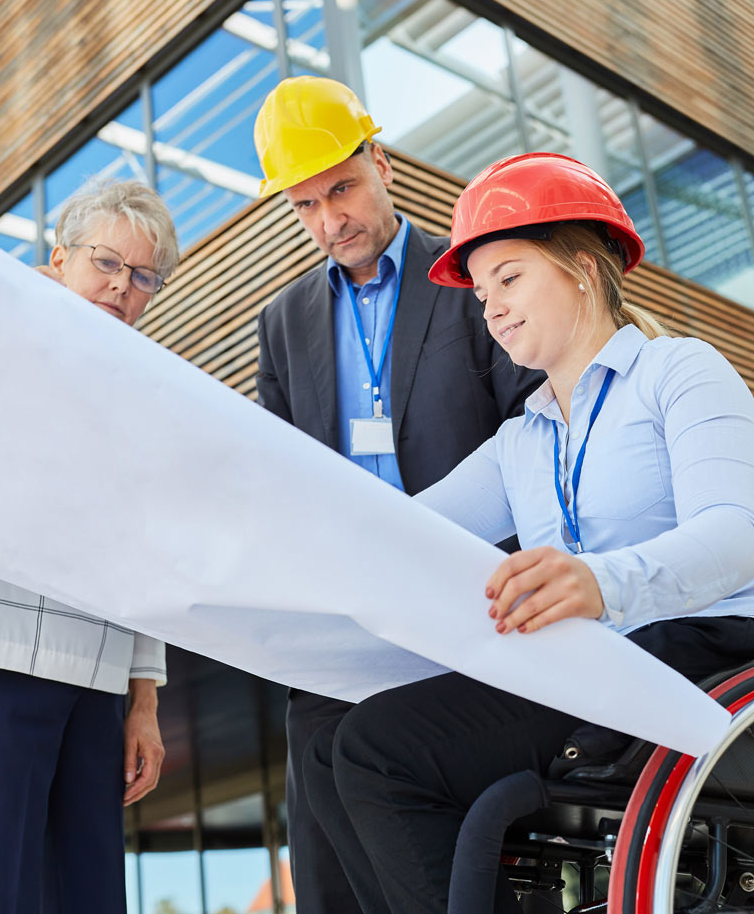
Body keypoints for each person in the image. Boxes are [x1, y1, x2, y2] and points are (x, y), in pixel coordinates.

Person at [299, 152, 754, 914]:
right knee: (323, 743)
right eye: (481, 295)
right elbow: (400, 532)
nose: (492, 309)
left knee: (383, 751)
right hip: (593, 669)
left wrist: (602, 582)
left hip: (695, 657)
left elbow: (739, 532)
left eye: (508, 278)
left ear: (581, 267)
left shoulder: (679, 371)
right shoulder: (524, 439)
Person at [253, 78, 542, 914]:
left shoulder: (467, 279)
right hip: (346, 625)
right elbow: (281, 474)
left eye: (341, 188)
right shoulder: (283, 321)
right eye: (305, 205)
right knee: (329, 863)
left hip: (469, 607)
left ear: (380, 163)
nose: (330, 219)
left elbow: (526, 431)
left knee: (443, 850)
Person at [0, 180, 179, 914]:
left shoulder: (143, 393)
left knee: (88, 893)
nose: (120, 286)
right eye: (106, 262)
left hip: (102, 679)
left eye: (142, 276)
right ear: (58, 259)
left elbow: (145, 549)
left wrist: (144, 703)